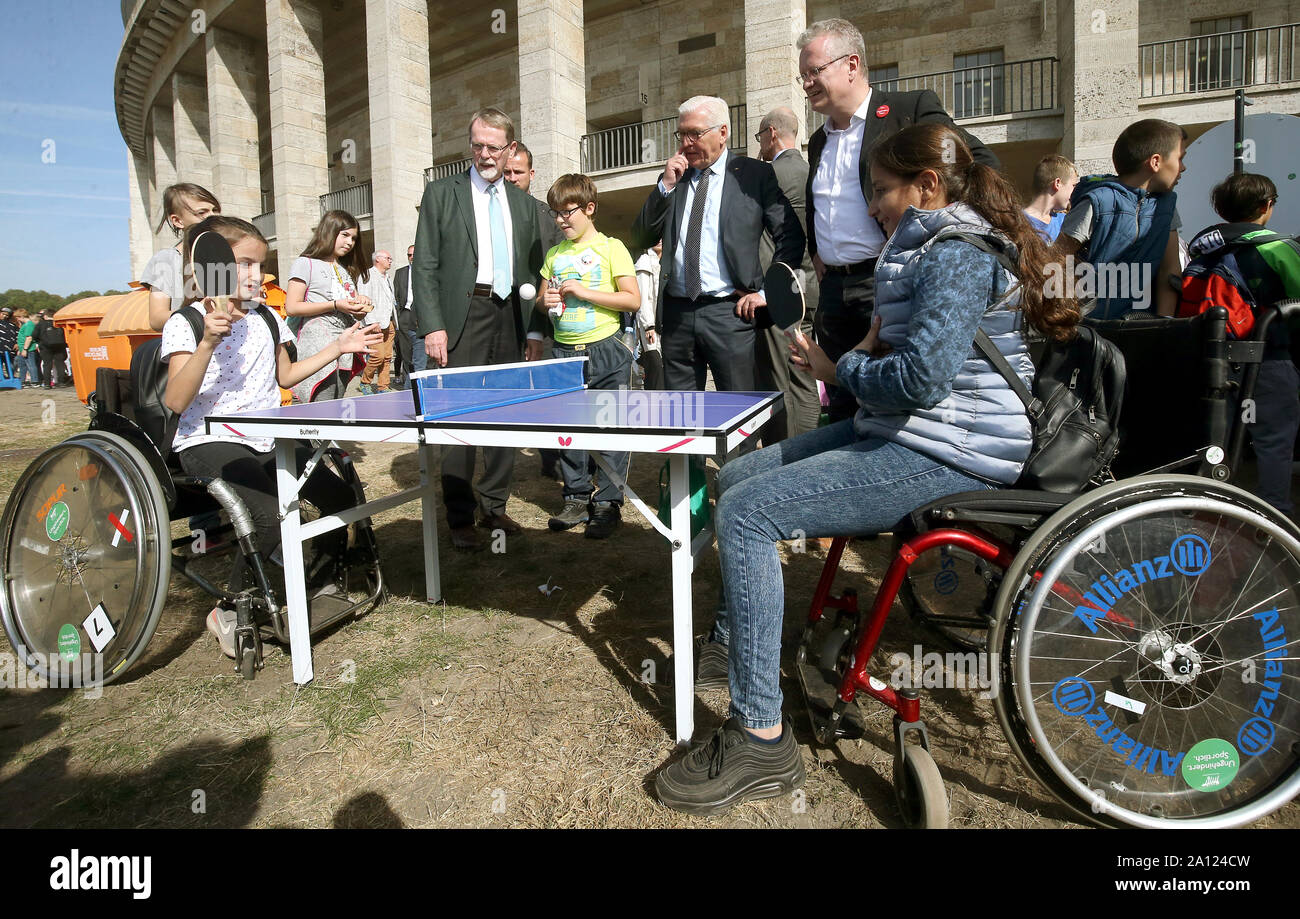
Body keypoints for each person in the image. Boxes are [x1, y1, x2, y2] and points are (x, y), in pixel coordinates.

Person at [654, 123, 1079, 814]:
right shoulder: (930, 246)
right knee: (734, 480)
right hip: (912, 429)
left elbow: (921, 379)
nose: (873, 204)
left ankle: (760, 732)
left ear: (927, 186)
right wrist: (868, 351)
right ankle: (737, 645)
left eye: (881, 191)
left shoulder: (956, 253)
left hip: (948, 449)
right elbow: (918, 366)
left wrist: (839, 367)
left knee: (746, 513)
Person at [161, 216, 383, 657]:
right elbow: (175, 401)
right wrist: (206, 343)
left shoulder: (266, 317)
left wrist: (337, 349)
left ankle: (318, 581)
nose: (256, 276)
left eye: (259, 266)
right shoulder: (186, 322)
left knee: (340, 499)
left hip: (267, 435)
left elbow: (286, 375)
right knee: (269, 516)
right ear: (211, 268)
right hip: (208, 439)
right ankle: (231, 607)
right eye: (243, 263)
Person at [800, 18, 999, 423]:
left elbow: (973, 164)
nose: (805, 84)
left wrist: (948, 239)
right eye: (802, 75)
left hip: (887, 285)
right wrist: (819, 253)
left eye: (814, 72)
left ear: (852, 65)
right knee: (841, 410)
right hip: (835, 293)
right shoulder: (819, 139)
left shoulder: (907, 111)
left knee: (888, 408)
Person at [412, 107, 547, 551]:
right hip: (461, 318)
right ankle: (459, 515)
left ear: (510, 148)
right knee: (459, 416)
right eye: (477, 145)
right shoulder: (440, 193)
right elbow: (426, 264)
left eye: (493, 146)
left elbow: (535, 268)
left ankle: (495, 504)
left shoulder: (525, 204)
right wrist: (433, 325)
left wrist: (533, 331)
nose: (484, 154)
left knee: (505, 413)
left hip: (511, 316)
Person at [629, 95, 804, 395]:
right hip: (677, 314)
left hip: (730, 314)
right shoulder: (674, 180)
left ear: (722, 132)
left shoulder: (754, 175)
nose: (685, 143)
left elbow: (790, 234)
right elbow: (641, 237)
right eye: (681, 134)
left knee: (737, 415)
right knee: (681, 417)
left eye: (694, 133)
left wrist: (767, 292)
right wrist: (665, 187)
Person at [1178, 173, 1299, 518]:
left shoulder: (1201, 252)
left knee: (1219, 443)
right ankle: (1273, 518)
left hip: (1212, 366)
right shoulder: (1277, 248)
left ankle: (1218, 513)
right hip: (1268, 362)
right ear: (1266, 206)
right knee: (1273, 443)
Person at [539, 174, 640, 538]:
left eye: (569, 212)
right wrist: (546, 299)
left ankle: (608, 503)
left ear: (589, 208)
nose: (562, 220)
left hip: (607, 350)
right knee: (570, 430)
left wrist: (585, 291)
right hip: (565, 352)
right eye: (556, 214)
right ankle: (576, 498)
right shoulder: (554, 254)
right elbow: (541, 297)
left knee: (610, 428)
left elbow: (632, 299)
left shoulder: (613, 248)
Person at [1055, 118, 1186, 319]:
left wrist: (1163, 324)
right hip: (1091, 328)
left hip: (1141, 328)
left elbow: (1169, 271)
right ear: (1155, 162)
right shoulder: (1098, 201)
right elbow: (1057, 258)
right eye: (1180, 158)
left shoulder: (1167, 207)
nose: (1183, 167)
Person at [754, 105, 821, 443]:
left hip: (782, 292)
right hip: (811, 289)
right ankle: (807, 451)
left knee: (781, 380)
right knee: (804, 375)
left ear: (772, 134)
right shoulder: (812, 172)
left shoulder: (769, 177)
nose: (759, 145)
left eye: (760, 137)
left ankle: (788, 459)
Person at [505, 140, 564, 478]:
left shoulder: (548, 218)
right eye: (507, 171)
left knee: (546, 393)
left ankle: (553, 458)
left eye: (518, 172)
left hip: (541, 321)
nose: (512, 177)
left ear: (531, 174)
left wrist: (537, 328)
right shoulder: (485, 214)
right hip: (499, 322)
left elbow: (554, 274)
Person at [285, 209, 373, 403]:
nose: (350, 242)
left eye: (354, 238)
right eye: (345, 235)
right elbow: (291, 307)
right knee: (320, 407)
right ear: (329, 232)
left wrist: (360, 303)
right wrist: (335, 304)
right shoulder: (305, 263)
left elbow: (352, 312)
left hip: (345, 346)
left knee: (336, 406)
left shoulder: (345, 270)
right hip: (316, 347)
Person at [141, 183, 221, 332]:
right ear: (177, 221)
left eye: (215, 210)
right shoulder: (165, 260)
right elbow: (157, 318)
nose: (212, 216)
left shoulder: (227, 252)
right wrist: (200, 313)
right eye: (202, 212)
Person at [357, 250, 397, 394]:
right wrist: (372, 322)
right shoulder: (367, 275)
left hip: (389, 322)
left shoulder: (387, 277)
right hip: (375, 323)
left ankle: (383, 386)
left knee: (387, 357)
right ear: (377, 259)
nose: (390, 261)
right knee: (377, 355)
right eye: (388, 258)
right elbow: (365, 300)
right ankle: (365, 381)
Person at [1023, 154, 1077, 243]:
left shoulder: (1065, 221)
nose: (1075, 191)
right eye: (1073, 185)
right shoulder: (1017, 223)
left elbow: (1070, 255)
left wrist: (1069, 257)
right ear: (1057, 183)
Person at [633, 242, 665, 391]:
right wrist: (648, 325)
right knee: (655, 367)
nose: (659, 240)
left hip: (670, 325)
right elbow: (643, 299)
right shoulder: (644, 261)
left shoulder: (671, 260)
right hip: (651, 327)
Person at [392, 244, 420, 390]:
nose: (412, 257)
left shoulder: (426, 271)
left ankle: (422, 383)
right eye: (409, 255)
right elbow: (396, 295)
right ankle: (408, 383)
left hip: (422, 315)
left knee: (422, 351)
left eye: (414, 254)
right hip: (405, 315)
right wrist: (398, 315)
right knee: (406, 351)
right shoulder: (400, 273)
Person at [33, 309, 69, 388]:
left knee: (47, 365)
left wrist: (39, 342)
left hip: (45, 347)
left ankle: (47, 384)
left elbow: (34, 335)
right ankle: (61, 382)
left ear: (45, 316)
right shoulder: (59, 324)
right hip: (59, 346)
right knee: (60, 364)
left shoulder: (40, 324)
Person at [16, 308, 40, 387]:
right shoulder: (25, 325)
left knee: (31, 365)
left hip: (28, 349)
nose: (17, 319)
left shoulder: (29, 324)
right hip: (22, 348)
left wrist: (25, 349)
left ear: (22, 316)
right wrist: (20, 349)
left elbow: (29, 338)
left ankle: (35, 381)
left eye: (18, 317)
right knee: (22, 365)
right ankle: (22, 381)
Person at [0, 307, 17, 383]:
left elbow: (17, 335)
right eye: (3, 314)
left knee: (10, 365)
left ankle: (11, 379)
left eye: (7, 315)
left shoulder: (12, 325)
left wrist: (17, 343)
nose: (4, 316)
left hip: (9, 350)